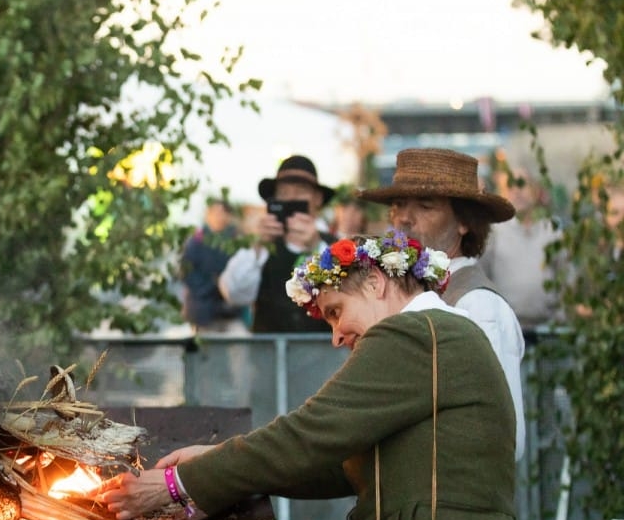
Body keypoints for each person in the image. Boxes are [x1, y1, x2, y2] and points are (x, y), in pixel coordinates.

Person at [97, 230, 536, 520]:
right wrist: (213, 469)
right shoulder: (435, 334)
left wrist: (176, 486)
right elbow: (337, 465)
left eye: (336, 311)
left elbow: (306, 436)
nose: (336, 336)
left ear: (376, 283)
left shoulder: (416, 332)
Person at [358, 148, 526, 460]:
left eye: (425, 206)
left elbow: (507, 435)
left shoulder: (478, 305)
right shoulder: (406, 294)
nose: (404, 218)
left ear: (464, 223)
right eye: (397, 205)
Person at [218, 154, 336, 333]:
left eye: (300, 191)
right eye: (284, 193)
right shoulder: (261, 245)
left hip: (325, 356)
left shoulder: (335, 245)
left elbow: (349, 294)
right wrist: (257, 247)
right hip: (268, 357)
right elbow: (233, 293)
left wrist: (316, 247)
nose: (291, 199)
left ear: (317, 198)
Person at [481, 162, 563, 331]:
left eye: (522, 185)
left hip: (549, 331)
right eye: (510, 185)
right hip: (506, 329)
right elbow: (482, 278)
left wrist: (561, 318)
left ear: (534, 190)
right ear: (502, 193)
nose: (517, 191)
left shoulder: (552, 231)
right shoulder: (492, 233)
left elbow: (565, 278)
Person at [178, 195, 247, 333]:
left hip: (232, 310)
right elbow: (187, 271)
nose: (218, 217)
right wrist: (212, 285)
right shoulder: (195, 241)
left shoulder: (237, 240)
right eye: (215, 212)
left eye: (222, 213)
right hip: (203, 310)